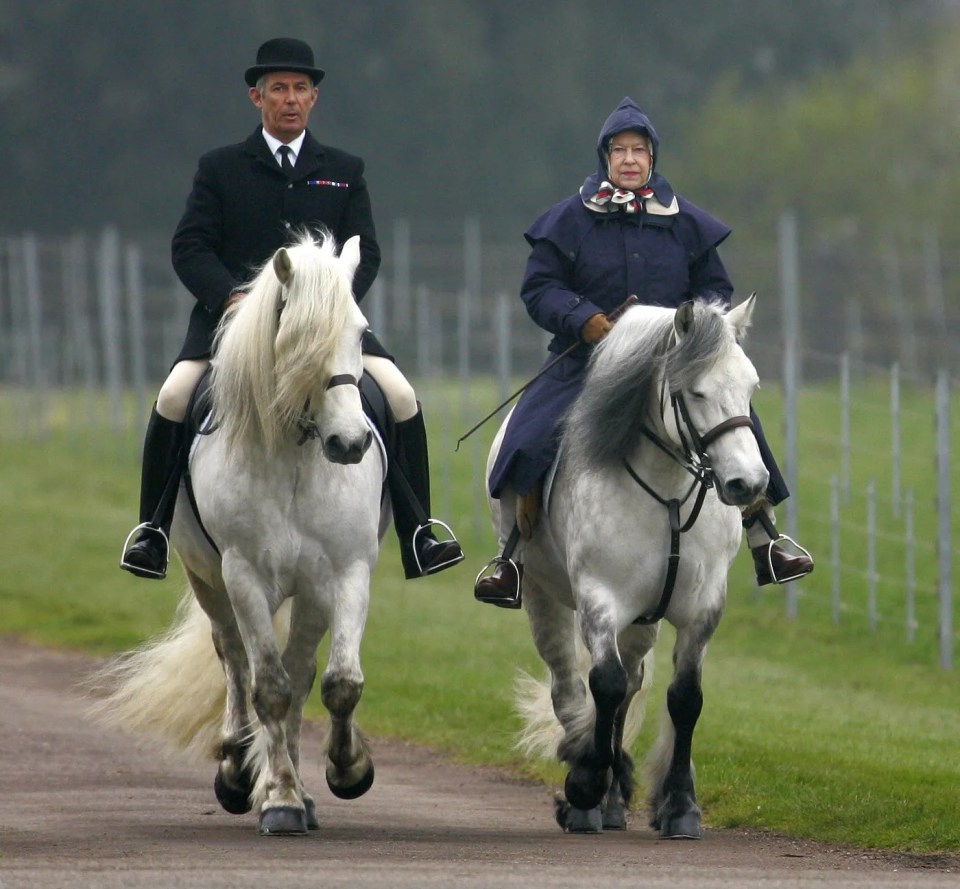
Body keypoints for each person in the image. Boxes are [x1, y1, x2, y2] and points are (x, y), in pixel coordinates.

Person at [121, 37, 463, 582]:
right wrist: (231, 298)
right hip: (232, 329)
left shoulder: (344, 170)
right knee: (173, 397)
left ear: (314, 99)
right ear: (257, 98)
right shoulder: (222, 167)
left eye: (300, 89)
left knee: (400, 395)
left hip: (326, 329)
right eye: (278, 89)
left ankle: (419, 531)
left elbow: (365, 250)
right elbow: (191, 246)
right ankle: (153, 532)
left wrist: (332, 303)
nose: (290, 98)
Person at [474, 96, 813, 608]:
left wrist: (696, 331)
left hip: (675, 365)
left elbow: (715, 292)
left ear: (652, 158)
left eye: (638, 150)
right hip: (586, 360)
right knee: (527, 435)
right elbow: (540, 289)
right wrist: (582, 319)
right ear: (604, 158)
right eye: (619, 150)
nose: (629, 159)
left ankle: (765, 537)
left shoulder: (687, 223)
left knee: (737, 420)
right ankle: (511, 558)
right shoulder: (567, 220)